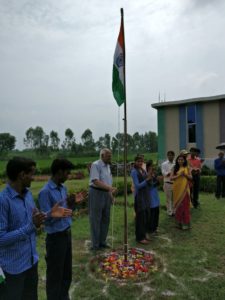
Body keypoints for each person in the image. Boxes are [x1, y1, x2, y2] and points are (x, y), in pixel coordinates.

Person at [0, 157, 71, 300]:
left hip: (31, 262)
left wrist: (50, 214)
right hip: (13, 269)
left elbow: (36, 219)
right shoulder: (3, 200)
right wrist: (31, 226)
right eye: (31, 174)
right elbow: (1, 239)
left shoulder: (28, 195)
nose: (33, 178)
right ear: (22, 175)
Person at [38, 158, 83, 300]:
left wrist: (73, 204)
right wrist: (51, 214)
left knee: (66, 273)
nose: (68, 176)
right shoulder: (45, 192)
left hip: (66, 235)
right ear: (59, 172)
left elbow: (65, 211)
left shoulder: (63, 188)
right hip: (55, 239)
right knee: (54, 276)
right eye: (67, 173)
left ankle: (64, 297)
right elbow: (44, 219)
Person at [88, 148, 117, 250]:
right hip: (96, 193)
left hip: (106, 194)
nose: (110, 157)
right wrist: (110, 188)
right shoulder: (96, 165)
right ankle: (95, 244)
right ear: (102, 156)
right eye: (108, 155)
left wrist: (111, 195)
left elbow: (107, 183)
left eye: (111, 155)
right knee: (96, 219)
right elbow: (95, 181)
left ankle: (102, 241)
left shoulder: (108, 166)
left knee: (106, 218)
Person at [131, 155, 151, 244]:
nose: (140, 163)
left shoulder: (142, 170)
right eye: (138, 161)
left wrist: (151, 178)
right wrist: (147, 180)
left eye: (141, 161)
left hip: (145, 196)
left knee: (145, 217)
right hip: (139, 197)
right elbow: (137, 186)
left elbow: (148, 180)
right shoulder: (134, 172)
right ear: (135, 162)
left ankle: (144, 234)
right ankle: (140, 237)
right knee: (140, 218)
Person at [171, 155, 192, 230]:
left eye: (182, 160)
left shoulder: (187, 167)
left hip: (185, 189)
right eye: (179, 160)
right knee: (179, 206)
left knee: (185, 206)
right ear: (177, 160)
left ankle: (185, 224)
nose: (180, 161)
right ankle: (178, 223)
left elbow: (191, 177)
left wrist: (185, 175)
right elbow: (171, 178)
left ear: (184, 160)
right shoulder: (174, 168)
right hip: (177, 189)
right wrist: (179, 175)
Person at [146, 161, 160, 234]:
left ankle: (155, 227)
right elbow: (150, 185)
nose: (153, 168)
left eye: (153, 166)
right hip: (150, 196)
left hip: (155, 195)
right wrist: (156, 181)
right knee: (151, 213)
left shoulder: (154, 174)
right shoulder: (146, 175)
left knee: (156, 212)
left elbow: (157, 183)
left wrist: (157, 180)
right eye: (151, 166)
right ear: (148, 167)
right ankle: (151, 228)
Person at [161, 151, 175, 216]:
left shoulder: (176, 163)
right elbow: (164, 174)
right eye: (169, 155)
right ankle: (169, 212)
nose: (170, 156)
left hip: (175, 183)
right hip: (167, 183)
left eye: (171, 155)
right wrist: (172, 171)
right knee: (168, 198)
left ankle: (174, 211)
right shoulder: (164, 164)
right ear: (167, 156)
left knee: (174, 198)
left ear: (174, 156)